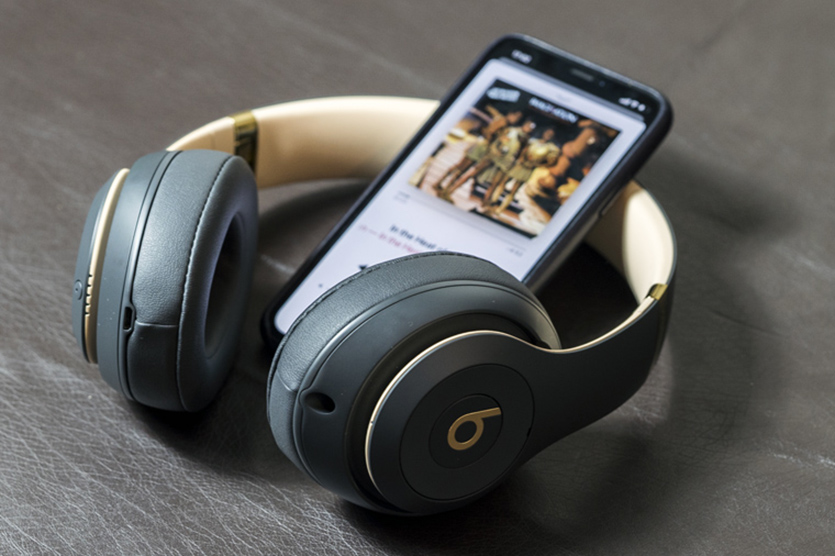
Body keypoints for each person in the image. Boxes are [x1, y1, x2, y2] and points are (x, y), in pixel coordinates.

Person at [482, 127, 560, 217]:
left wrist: (537, 165)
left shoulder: (551, 148)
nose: (548, 135)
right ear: (544, 132)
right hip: (520, 165)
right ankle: (492, 202)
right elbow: (524, 150)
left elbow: (550, 162)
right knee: (503, 182)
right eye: (547, 133)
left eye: (551, 135)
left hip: (528, 169)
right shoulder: (534, 141)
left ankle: (500, 209)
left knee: (514, 190)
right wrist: (522, 158)